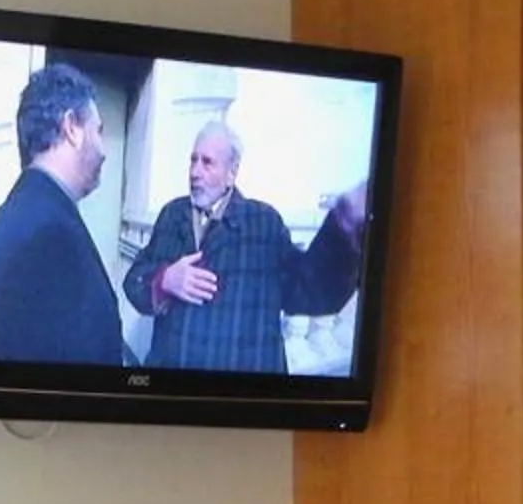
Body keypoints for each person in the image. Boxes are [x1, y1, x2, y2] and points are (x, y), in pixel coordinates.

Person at [122, 120, 366, 374]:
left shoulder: (264, 223)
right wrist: (164, 280)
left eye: (207, 162)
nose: (194, 172)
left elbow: (310, 292)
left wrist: (343, 227)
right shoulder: (173, 215)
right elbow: (133, 282)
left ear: (232, 172)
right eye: (193, 160)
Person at [0, 64, 126, 366]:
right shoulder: (48, 235)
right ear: (72, 128)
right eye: (98, 131)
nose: (103, 151)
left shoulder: (26, 214)